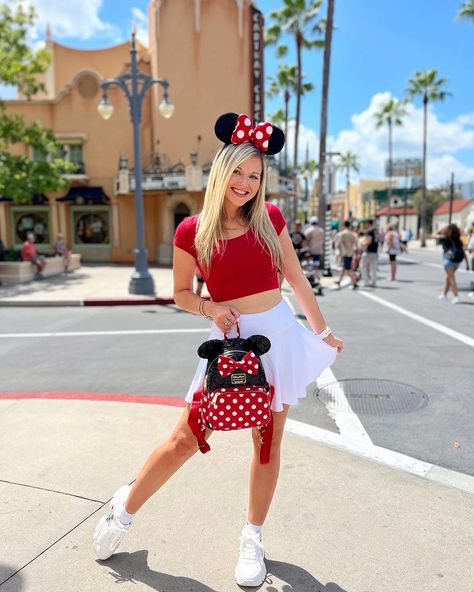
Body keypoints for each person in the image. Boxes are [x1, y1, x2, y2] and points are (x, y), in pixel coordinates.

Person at [92, 112, 343, 587]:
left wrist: (322, 330)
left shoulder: (269, 219)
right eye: (239, 172)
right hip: (228, 345)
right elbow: (182, 294)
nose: (246, 183)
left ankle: (253, 537)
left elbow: (295, 276)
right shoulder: (192, 230)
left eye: (255, 175)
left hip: (279, 339)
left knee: (267, 441)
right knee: (184, 439)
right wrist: (212, 309)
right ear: (221, 171)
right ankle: (121, 512)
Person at [436, 223, 470, 304]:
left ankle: (456, 296)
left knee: (451, 278)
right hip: (457, 261)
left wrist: (442, 229)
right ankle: (444, 294)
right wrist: (467, 264)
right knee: (449, 277)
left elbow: (436, 235)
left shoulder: (446, 239)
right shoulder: (458, 240)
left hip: (448, 260)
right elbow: (463, 252)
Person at [334, 220, 358, 289]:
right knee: (344, 268)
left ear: (344, 225)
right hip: (351, 252)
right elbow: (355, 244)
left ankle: (354, 282)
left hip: (345, 253)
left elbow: (338, 243)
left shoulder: (342, 234)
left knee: (348, 269)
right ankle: (339, 281)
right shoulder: (353, 234)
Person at [361, 219, 379, 287]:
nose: (365, 225)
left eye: (365, 223)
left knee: (363, 266)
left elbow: (369, 241)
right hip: (375, 251)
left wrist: (362, 243)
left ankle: (366, 282)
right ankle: (374, 282)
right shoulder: (376, 230)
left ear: (368, 223)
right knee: (374, 267)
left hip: (368, 251)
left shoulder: (369, 231)